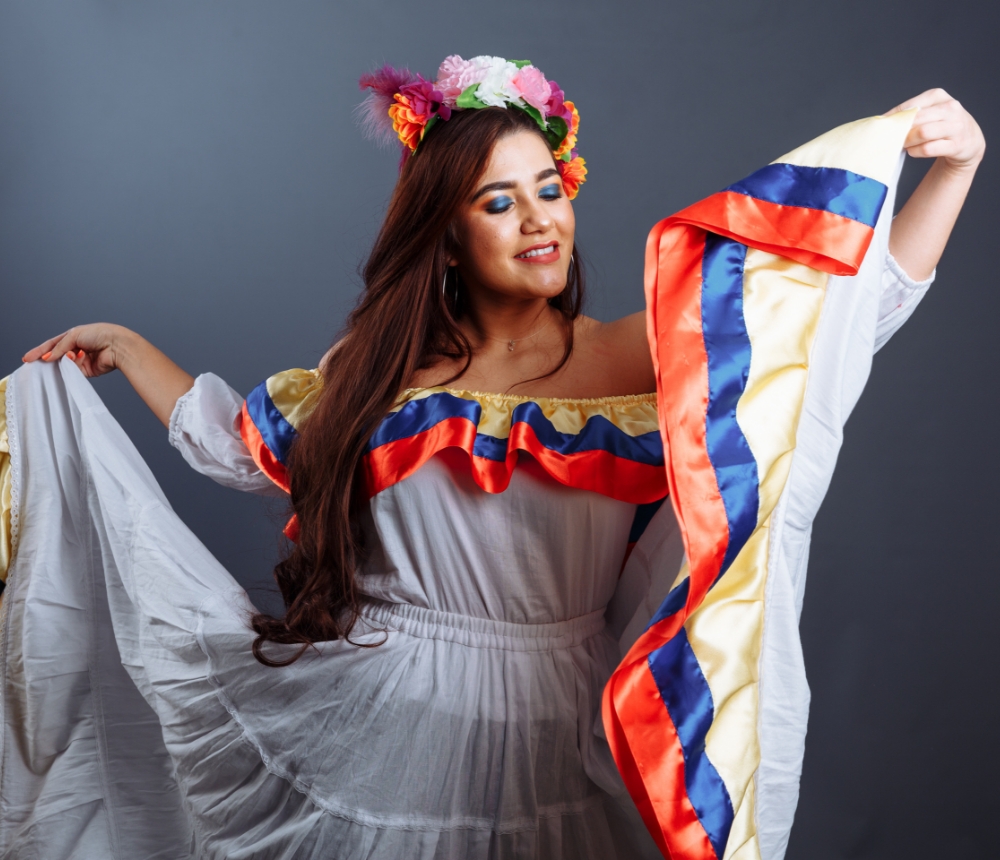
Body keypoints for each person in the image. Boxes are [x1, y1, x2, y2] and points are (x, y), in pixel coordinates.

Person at [0, 55, 984, 860]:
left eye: (547, 189)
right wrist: (126, 345)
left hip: (562, 719)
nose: (537, 219)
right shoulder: (384, 367)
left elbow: (837, 328)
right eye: (498, 201)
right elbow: (238, 445)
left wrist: (949, 171)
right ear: (447, 236)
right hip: (384, 708)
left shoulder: (629, 351)